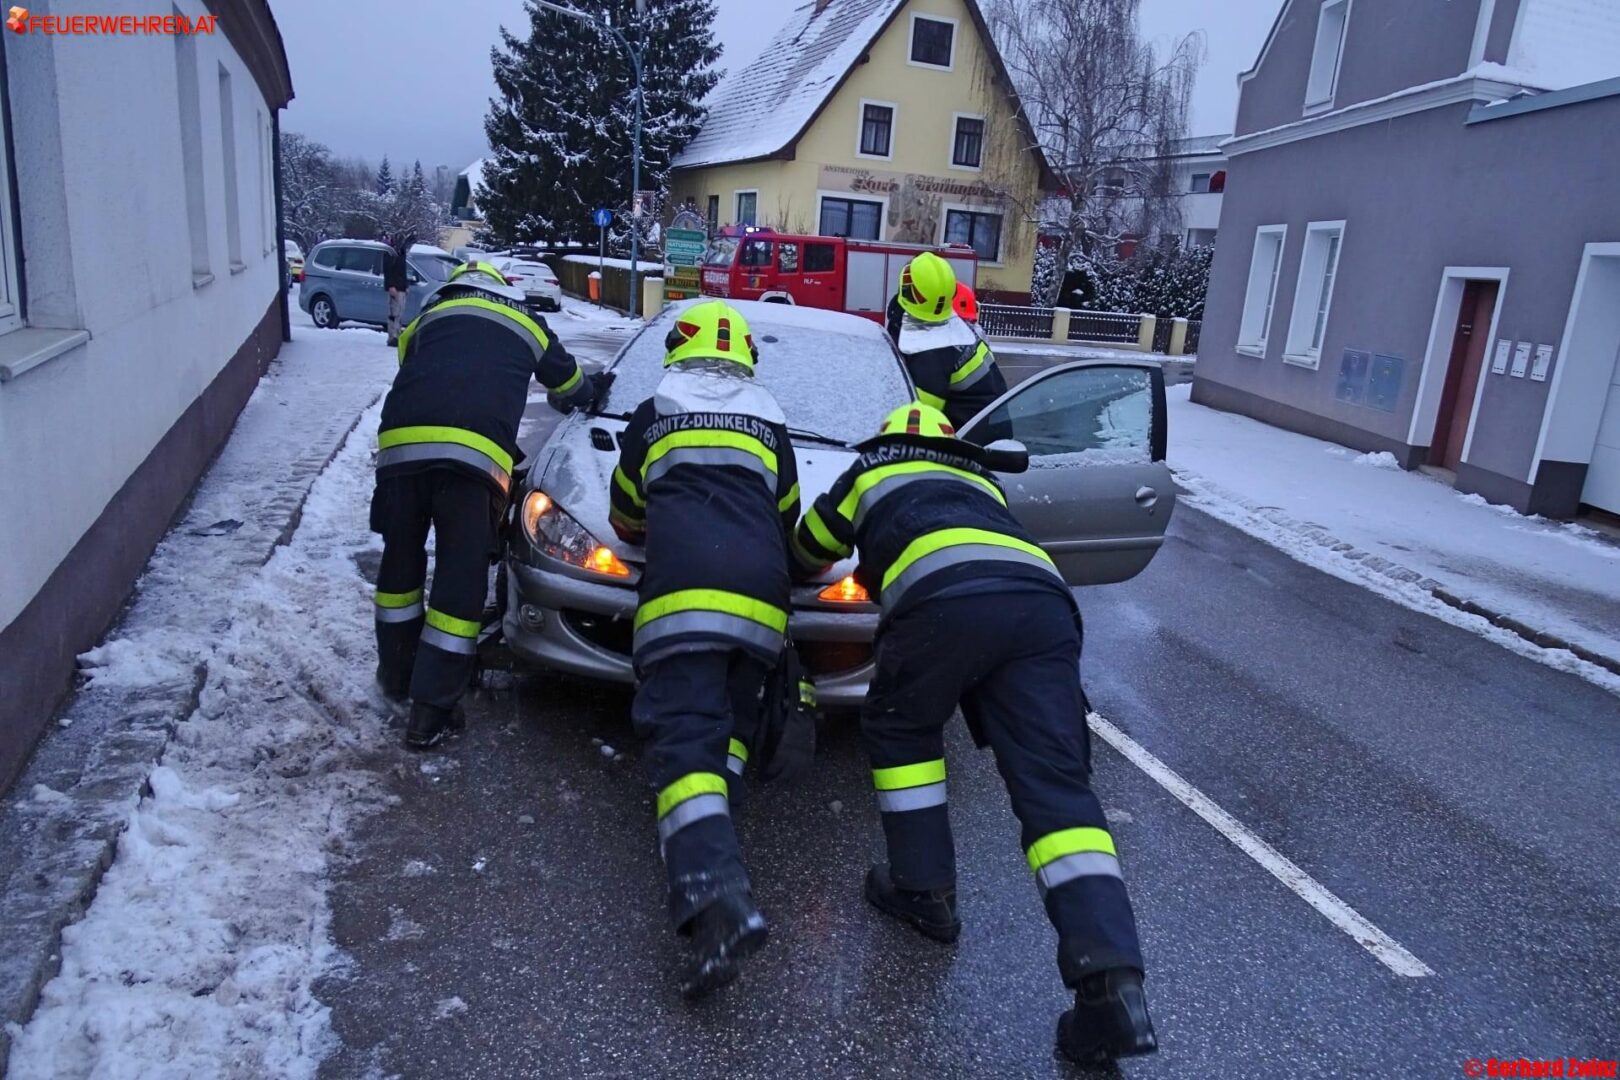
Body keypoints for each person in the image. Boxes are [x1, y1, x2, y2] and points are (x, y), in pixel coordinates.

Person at [789, 402, 1157, 1066]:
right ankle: (1111, 986)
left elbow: (809, 548)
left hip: (939, 601)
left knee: (902, 731)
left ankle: (923, 890)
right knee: (1055, 786)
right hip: (1042, 607)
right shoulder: (980, 482)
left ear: (889, 439)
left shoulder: (869, 468)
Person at [607, 299, 801, 999]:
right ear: (746, 358)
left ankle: (717, 896)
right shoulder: (771, 422)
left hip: (685, 599)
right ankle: (718, 855)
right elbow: (788, 518)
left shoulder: (654, 414)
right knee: (730, 734)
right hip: (764, 606)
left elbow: (624, 514)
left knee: (686, 745)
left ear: (678, 354)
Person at [372, 261, 609, 749]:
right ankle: (430, 711)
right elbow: (570, 388)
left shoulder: (429, 315)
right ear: (502, 288)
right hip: (472, 464)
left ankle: (396, 677)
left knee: (399, 568)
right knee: (458, 579)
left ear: (456, 285)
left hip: (399, 453)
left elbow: (413, 368)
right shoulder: (524, 320)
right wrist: (593, 389)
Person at [888, 252, 1007, 428]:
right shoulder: (950, 329)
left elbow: (919, 417)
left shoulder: (932, 349)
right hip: (989, 425)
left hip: (973, 436)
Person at [382, 232, 415, 346]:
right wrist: (391, 286)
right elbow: (388, 270)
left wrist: (405, 286)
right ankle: (392, 336)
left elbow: (403, 271)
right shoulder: (390, 252)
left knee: (399, 313)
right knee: (394, 313)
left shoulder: (401, 252)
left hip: (401, 287)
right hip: (395, 287)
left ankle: (396, 334)